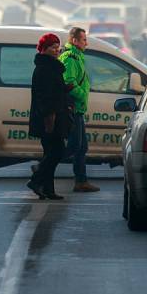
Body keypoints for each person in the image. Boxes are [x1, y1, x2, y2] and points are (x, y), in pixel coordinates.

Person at [27, 33, 72, 200]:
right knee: (57, 151)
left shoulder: (51, 66)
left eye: (57, 47)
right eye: (52, 47)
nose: (56, 50)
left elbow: (54, 90)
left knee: (50, 153)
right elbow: (45, 96)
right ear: (44, 49)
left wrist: (65, 88)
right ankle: (36, 178)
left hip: (53, 116)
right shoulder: (46, 68)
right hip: (49, 118)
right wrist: (49, 118)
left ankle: (47, 189)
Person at [59, 27, 99, 193]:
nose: (86, 43)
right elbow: (69, 81)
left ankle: (81, 181)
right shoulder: (70, 58)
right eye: (84, 40)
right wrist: (82, 95)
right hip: (73, 108)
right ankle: (43, 166)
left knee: (81, 147)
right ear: (74, 41)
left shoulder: (78, 57)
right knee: (75, 146)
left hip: (78, 109)